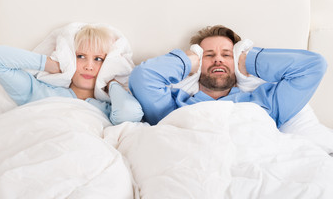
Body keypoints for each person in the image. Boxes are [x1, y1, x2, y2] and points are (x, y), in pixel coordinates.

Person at [129, 25, 327, 128]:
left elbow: (313, 66)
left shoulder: (267, 102)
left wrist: (248, 61)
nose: (218, 60)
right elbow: (142, 77)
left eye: (226, 55)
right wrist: (187, 62)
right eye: (208, 55)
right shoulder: (172, 106)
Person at [0, 25, 144, 125]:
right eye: (80, 56)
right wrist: (51, 65)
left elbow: (130, 113)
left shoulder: (109, 108)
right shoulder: (39, 92)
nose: (89, 66)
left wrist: (110, 82)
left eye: (98, 59)